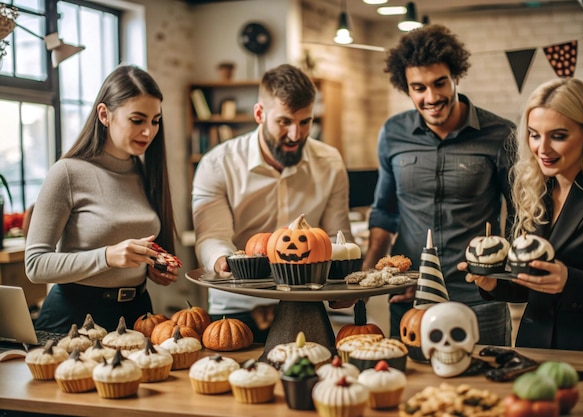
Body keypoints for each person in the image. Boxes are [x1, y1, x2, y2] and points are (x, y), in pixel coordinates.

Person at [363, 24, 516, 345]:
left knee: (487, 389)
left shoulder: (501, 134)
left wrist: (506, 281)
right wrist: (367, 281)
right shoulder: (393, 132)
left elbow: (518, 215)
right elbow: (385, 213)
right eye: (418, 88)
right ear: (406, 88)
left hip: (479, 295)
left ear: (456, 76)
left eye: (439, 83)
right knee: (412, 390)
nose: (431, 97)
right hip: (410, 291)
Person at [192, 63, 353, 342]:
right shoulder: (217, 164)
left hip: (308, 302)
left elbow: (339, 237)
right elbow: (211, 237)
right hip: (239, 302)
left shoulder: (330, 162)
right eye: (284, 122)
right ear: (259, 114)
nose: (296, 135)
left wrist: (345, 281)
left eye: (305, 122)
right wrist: (223, 262)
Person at [464, 78, 583, 352]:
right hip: (531, 350)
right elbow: (531, 284)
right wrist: (493, 284)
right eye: (534, 134)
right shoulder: (533, 189)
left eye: (558, 135)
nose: (542, 148)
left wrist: (571, 281)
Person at [25, 65, 179, 333]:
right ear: (104, 114)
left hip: (138, 314)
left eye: (155, 121)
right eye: (137, 120)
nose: (148, 132)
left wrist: (155, 271)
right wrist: (107, 256)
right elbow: (35, 265)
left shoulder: (146, 173)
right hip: (73, 319)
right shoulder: (68, 172)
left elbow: (139, 254)